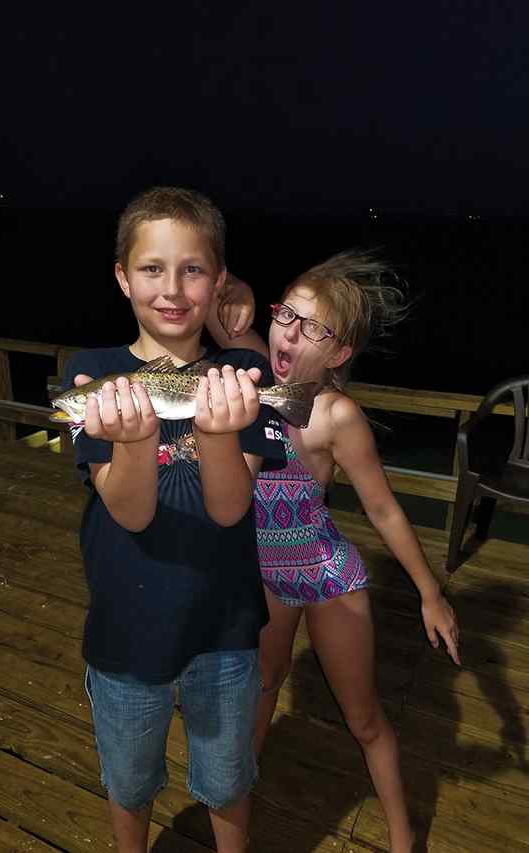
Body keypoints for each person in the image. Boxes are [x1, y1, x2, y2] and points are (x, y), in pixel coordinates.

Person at [206, 250, 461, 853]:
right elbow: (216, 296)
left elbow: (384, 510)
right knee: (265, 684)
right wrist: (239, 282)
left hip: (325, 574)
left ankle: (403, 837)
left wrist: (431, 594)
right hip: (265, 574)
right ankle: (238, 793)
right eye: (285, 316)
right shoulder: (250, 376)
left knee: (364, 718)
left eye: (313, 328)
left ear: (341, 353)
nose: (288, 334)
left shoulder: (338, 416)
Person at [63, 186, 286, 853]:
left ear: (217, 281)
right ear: (123, 277)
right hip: (127, 633)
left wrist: (220, 432)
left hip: (226, 627)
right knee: (130, 782)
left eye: (192, 268)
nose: (172, 287)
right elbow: (129, 511)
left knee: (226, 779)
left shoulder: (244, 369)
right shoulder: (93, 374)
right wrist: (133, 439)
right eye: (152, 268)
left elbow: (231, 507)